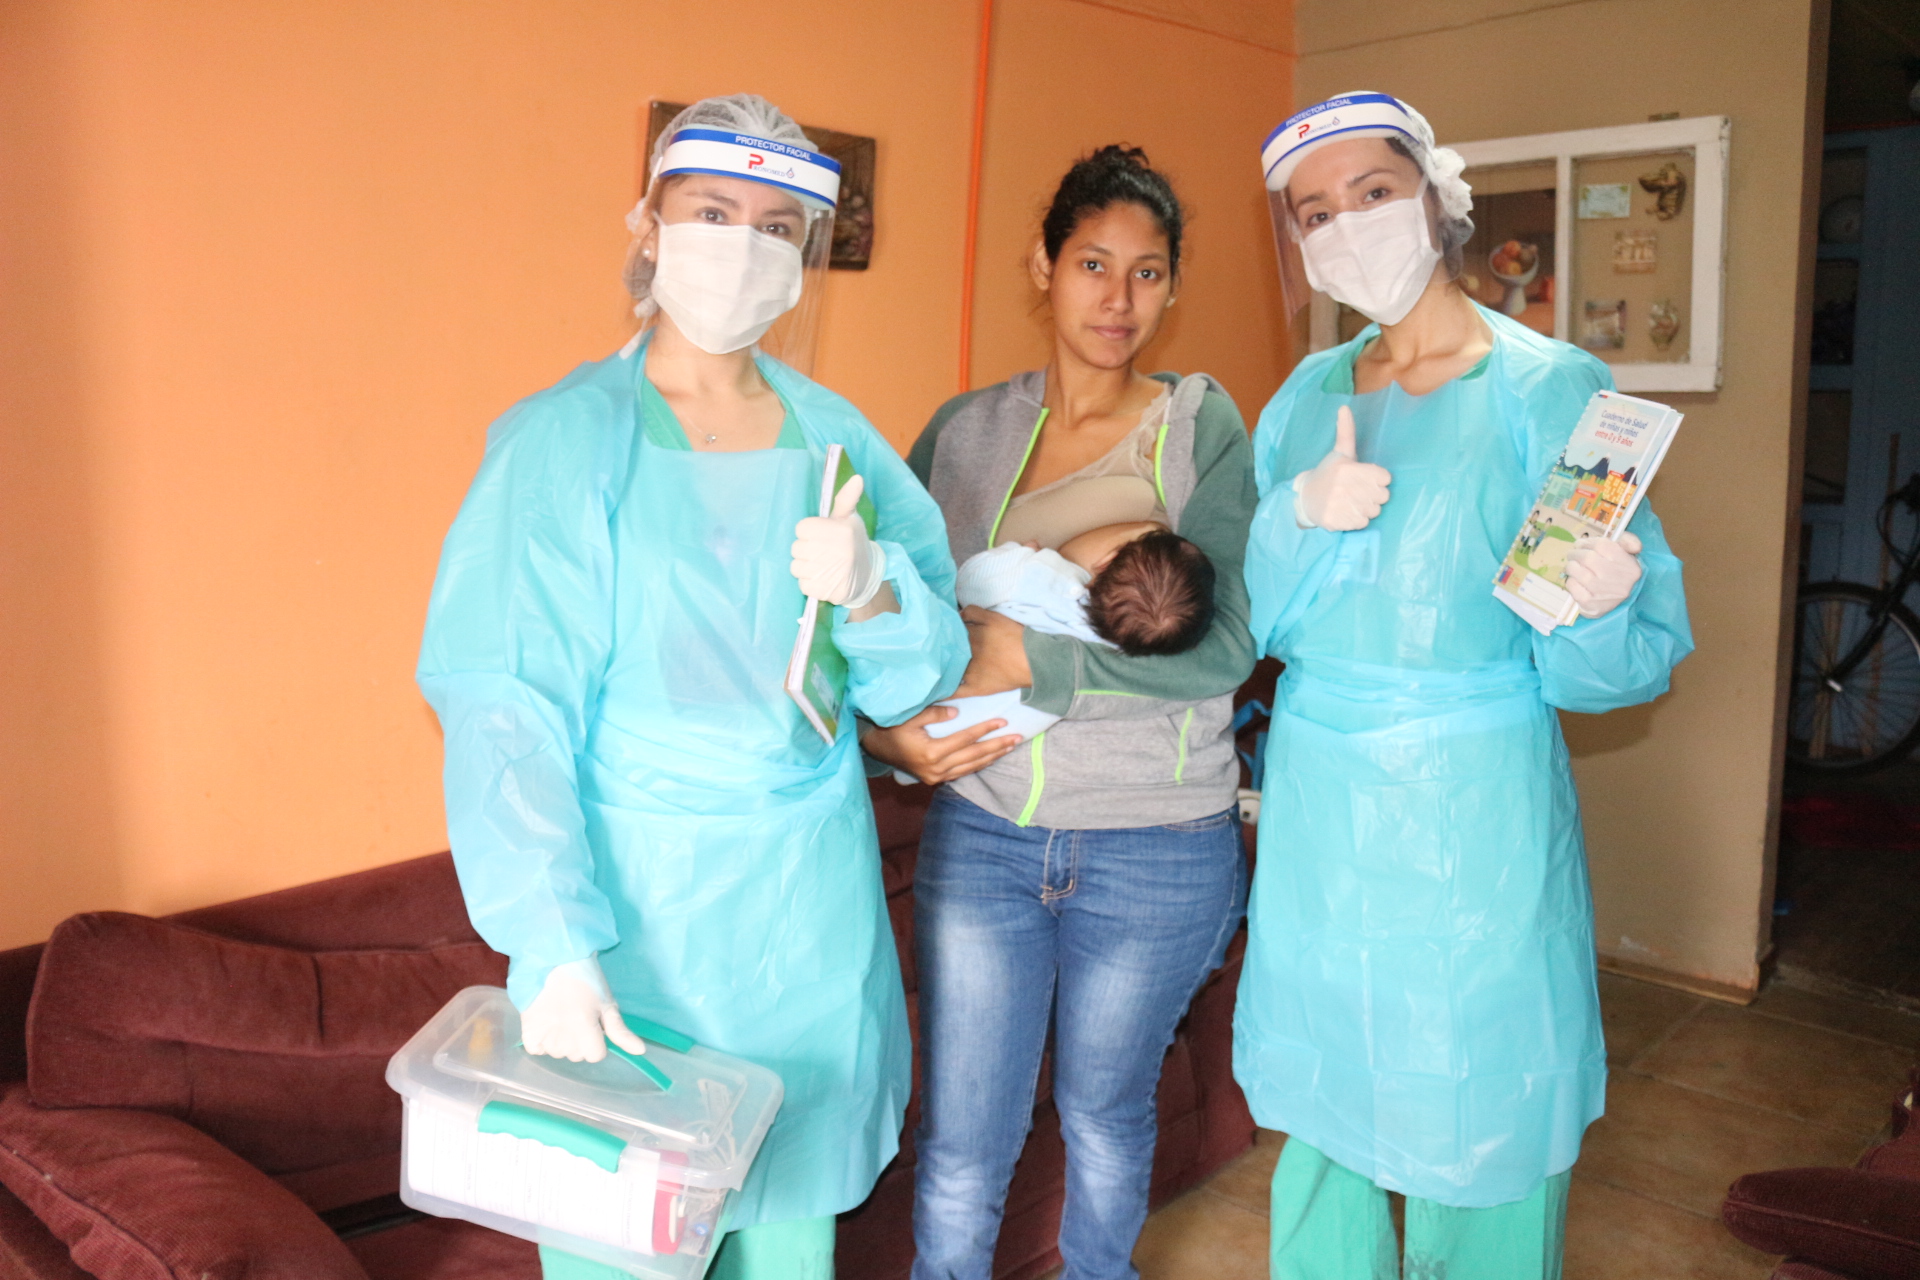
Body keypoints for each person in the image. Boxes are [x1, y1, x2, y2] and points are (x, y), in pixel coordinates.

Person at [416, 94, 969, 1280]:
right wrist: (555, 939)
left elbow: (925, 670)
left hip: (803, 924)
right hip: (629, 925)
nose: (742, 245)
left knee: (785, 1231)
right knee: (624, 1237)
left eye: (777, 224)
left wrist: (876, 594)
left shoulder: (836, 442)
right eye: (714, 211)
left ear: (805, 259)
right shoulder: (564, 442)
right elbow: (507, 701)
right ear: (650, 225)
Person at [1236, 91, 1694, 1280]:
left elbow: (1602, 671)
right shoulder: (1306, 400)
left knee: (1487, 1118)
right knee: (1330, 1122)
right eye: (1315, 211)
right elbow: (1255, 619)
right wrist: (1295, 518)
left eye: (1373, 193)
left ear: (1436, 198)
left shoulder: (1551, 388)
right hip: (1326, 814)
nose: (1349, 225)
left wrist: (1597, 608)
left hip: (1476, 818)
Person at [863, 145, 1256, 1280]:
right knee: (964, 1138)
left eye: (1147, 272)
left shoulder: (1198, 432)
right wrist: (886, 738)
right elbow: (881, 615)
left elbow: (1227, 646)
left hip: (1156, 843)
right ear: (1044, 265)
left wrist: (1031, 660)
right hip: (985, 834)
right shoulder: (965, 433)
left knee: (1103, 1112)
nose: (1118, 299)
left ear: (1174, 286)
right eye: (1093, 264)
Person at [927, 522, 1218, 742]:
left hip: (929, 692)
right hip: (964, 738)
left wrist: (1021, 553)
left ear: (1105, 562)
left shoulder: (1043, 576)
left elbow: (968, 581)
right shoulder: (1106, 665)